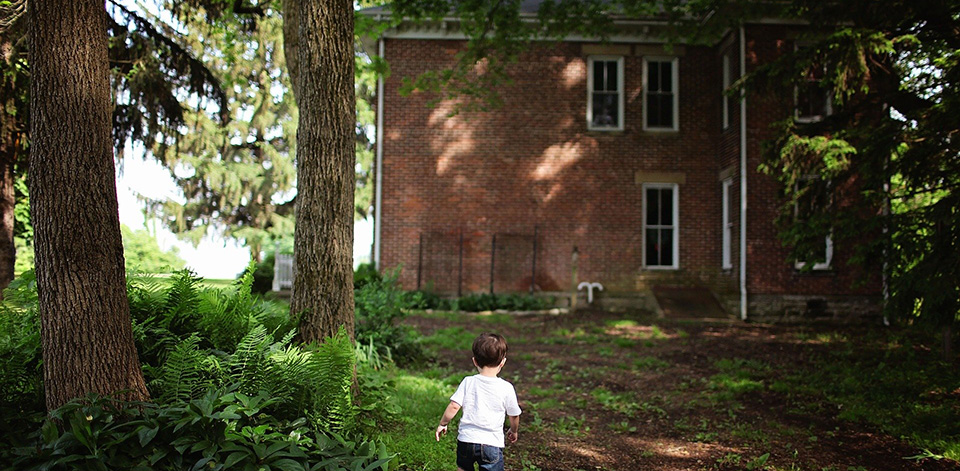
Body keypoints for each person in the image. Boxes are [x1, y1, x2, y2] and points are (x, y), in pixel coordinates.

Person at [435, 332, 522, 471]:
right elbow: (514, 414)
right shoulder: (506, 387)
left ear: (474, 361)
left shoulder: (468, 382)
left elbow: (453, 406)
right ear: (503, 362)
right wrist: (514, 430)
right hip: (491, 443)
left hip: (466, 440)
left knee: (463, 468)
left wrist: (443, 423)